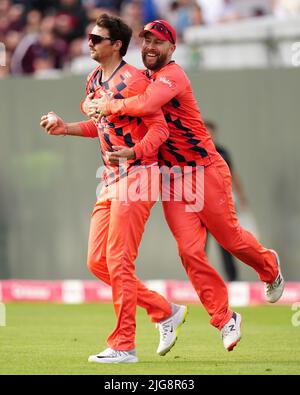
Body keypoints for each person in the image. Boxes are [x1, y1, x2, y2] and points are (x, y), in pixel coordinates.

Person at [85, 19, 285, 352]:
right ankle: (224, 318)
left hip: (203, 170)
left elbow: (145, 106)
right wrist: (89, 111)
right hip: (172, 178)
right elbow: (115, 116)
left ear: (172, 48)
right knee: (190, 251)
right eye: (146, 41)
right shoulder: (139, 78)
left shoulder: (173, 75)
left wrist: (107, 104)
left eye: (158, 42)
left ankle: (268, 266)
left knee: (230, 238)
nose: (150, 47)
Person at [40, 14, 188, 364]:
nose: (89, 42)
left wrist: (135, 152)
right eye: (90, 37)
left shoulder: (134, 80)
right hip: (110, 178)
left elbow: (160, 130)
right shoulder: (93, 78)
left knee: (119, 260)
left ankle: (124, 346)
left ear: (116, 44)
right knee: (98, 262)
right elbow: (101, 126)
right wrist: (65, 128)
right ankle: (164, 310)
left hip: (138, 174)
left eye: (96, 38)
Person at [205, 120, 249, 282]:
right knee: (200, 245)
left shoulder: (222, 152)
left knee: (226, 243)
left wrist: (241, 197)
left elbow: (233, 175)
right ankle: (201, 280)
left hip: (220, 204)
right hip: (201, 205)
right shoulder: (194, 150)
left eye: (211, 132)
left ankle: (233, 280)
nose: (209, 135)